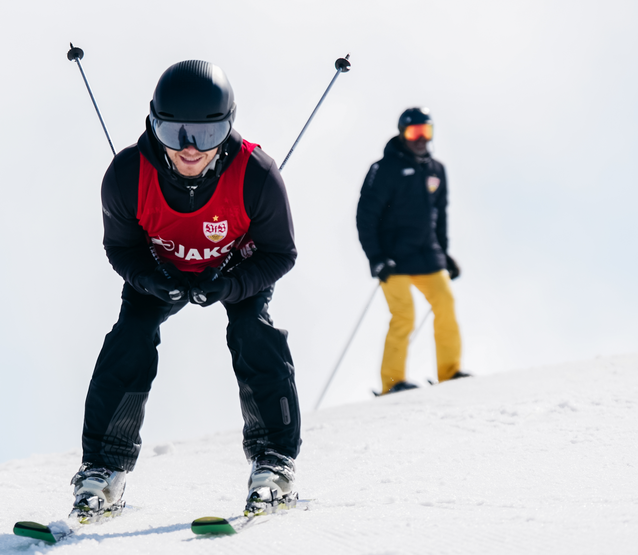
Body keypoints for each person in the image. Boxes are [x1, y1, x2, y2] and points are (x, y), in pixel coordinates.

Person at [71, 60, 301, 523]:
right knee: (130, 337)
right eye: (175, 133)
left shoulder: (256, 174)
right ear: (154, 125)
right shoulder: (127, 176)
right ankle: (102, 469)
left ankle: (273, 464)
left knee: (252, 331)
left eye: (206, 134)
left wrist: (231, 284)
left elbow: (280, 253)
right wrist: (151, 280)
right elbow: (121, 247)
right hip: (160, 269)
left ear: (227, 128)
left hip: (237, 266)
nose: (190, 149)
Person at [356, 107, 468, 395]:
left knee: (445, 303)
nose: (420, 139)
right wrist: (377, 258)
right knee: (404, 315)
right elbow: (366, 217)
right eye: (414, 132)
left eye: (425, 132)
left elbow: (439, 215)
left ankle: (450, 372)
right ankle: (392, 384)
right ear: (402, 134)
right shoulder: (384, 169)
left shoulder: (435, 170)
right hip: (393, 258)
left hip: (427, 254)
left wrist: (444, 254)